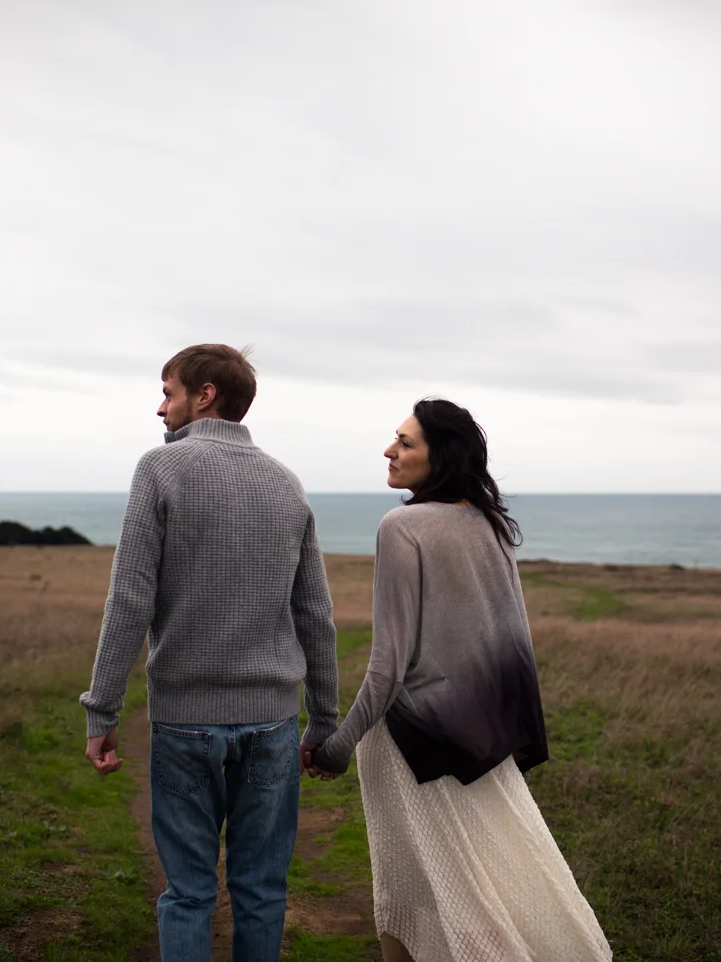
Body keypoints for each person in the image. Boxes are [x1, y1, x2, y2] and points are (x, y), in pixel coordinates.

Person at [308, 398, 611, 962]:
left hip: (411, 745)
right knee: (492, 882)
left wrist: (336, 747)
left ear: (439, 456)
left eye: (405, 443)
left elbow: (388, 664)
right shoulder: (491, 523)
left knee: (410, 894)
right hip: (480, 739)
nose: (389, 451)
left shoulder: (402, 525)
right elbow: (513, 644)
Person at [80, 344, 339, 962]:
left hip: (184, 724)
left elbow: (130, 599)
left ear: (205, 396)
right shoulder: (286, 481)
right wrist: (323, 722)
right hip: (273, 725)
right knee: (261, 890)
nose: (160, 406)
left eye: (168, 391)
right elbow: (316, 615)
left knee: (190, 893)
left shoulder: (159, 470)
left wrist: (102, 712)